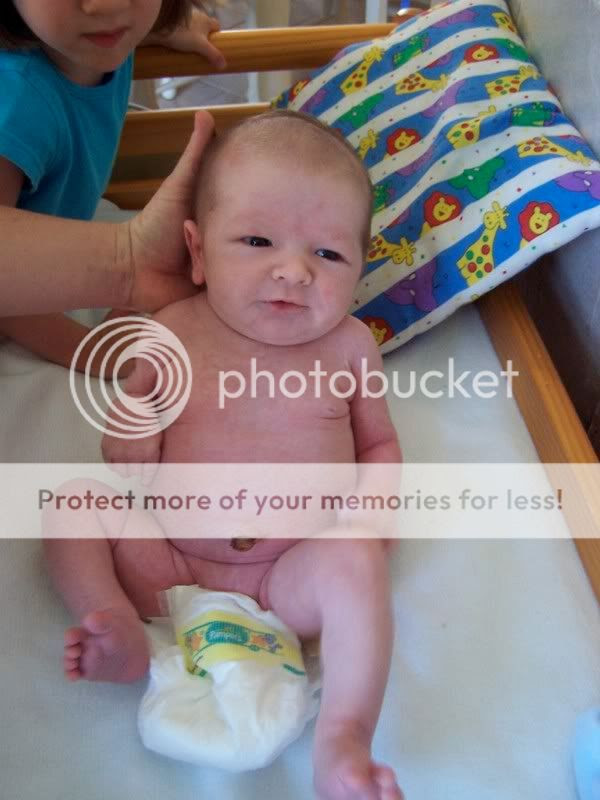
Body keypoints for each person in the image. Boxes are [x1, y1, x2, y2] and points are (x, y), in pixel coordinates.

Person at [43, 111, 404, 800]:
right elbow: (128, 420)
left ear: (360, 267)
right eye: (258, 241)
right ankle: (114, 622)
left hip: (288, 579)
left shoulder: (352, 346)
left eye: (329, 255)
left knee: (356, 560)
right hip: (167, 567)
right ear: (198, 250)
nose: (294, 271)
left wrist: (371, 516)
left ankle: (344, 739)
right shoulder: (174, 329)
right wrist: (134, 429)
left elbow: (380, 442)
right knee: (75, 502)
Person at [0, 0, 225, 375]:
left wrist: (165, 25)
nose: (110, 4)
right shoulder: (15, 104)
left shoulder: (96, 40)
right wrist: (91, 351)